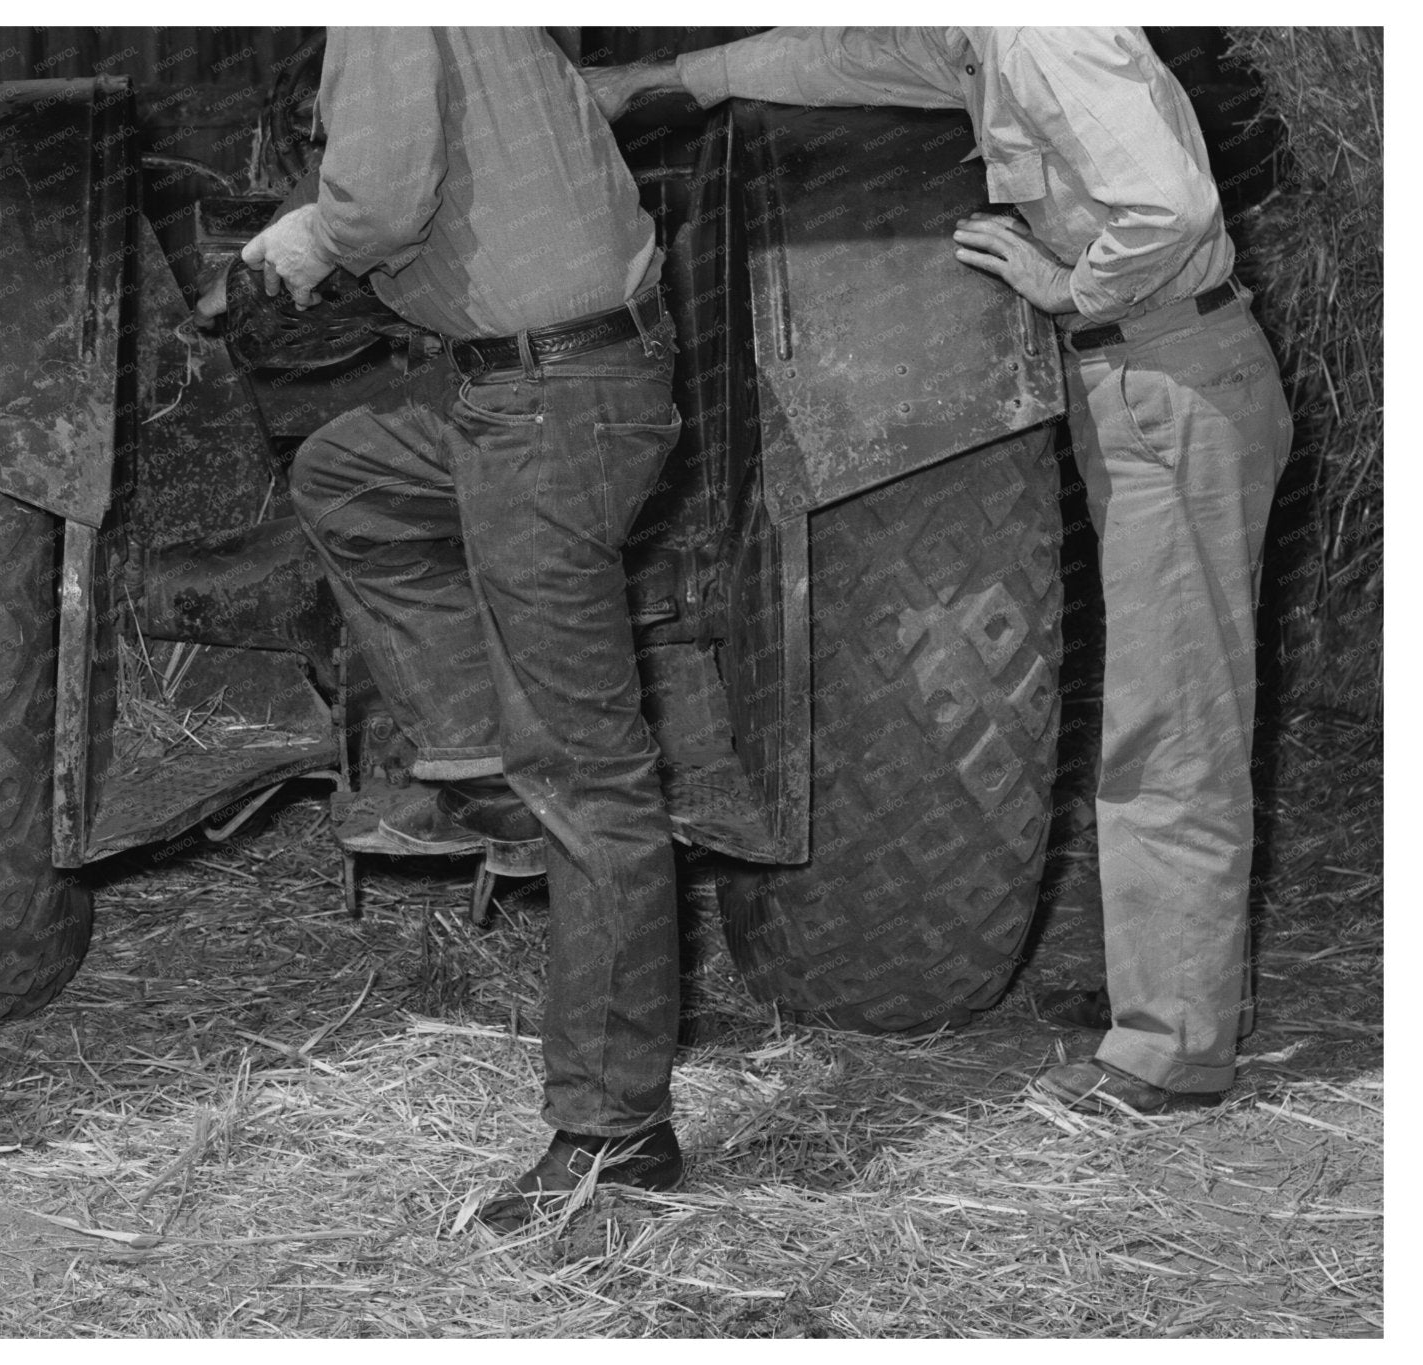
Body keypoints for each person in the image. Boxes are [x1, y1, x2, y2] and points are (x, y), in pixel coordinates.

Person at [588, 29, 1291, 1115]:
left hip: (1167, 376)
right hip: (1144, 375)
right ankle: (1170, 990)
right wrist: (666, 83)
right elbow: (849, 59)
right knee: (1164, 703)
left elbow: (1169, 210)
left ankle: (1173, 1049)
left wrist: (1066, 285)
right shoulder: (973, 33)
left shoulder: (1040, 31)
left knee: (1172, 717)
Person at [201, 27, 686, 1228]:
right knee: (350, 473)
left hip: (547, 404)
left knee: (590, 779)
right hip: (532, 383)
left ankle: (613, 1133)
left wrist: (293, 243)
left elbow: (374, 207)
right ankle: (475, 754)